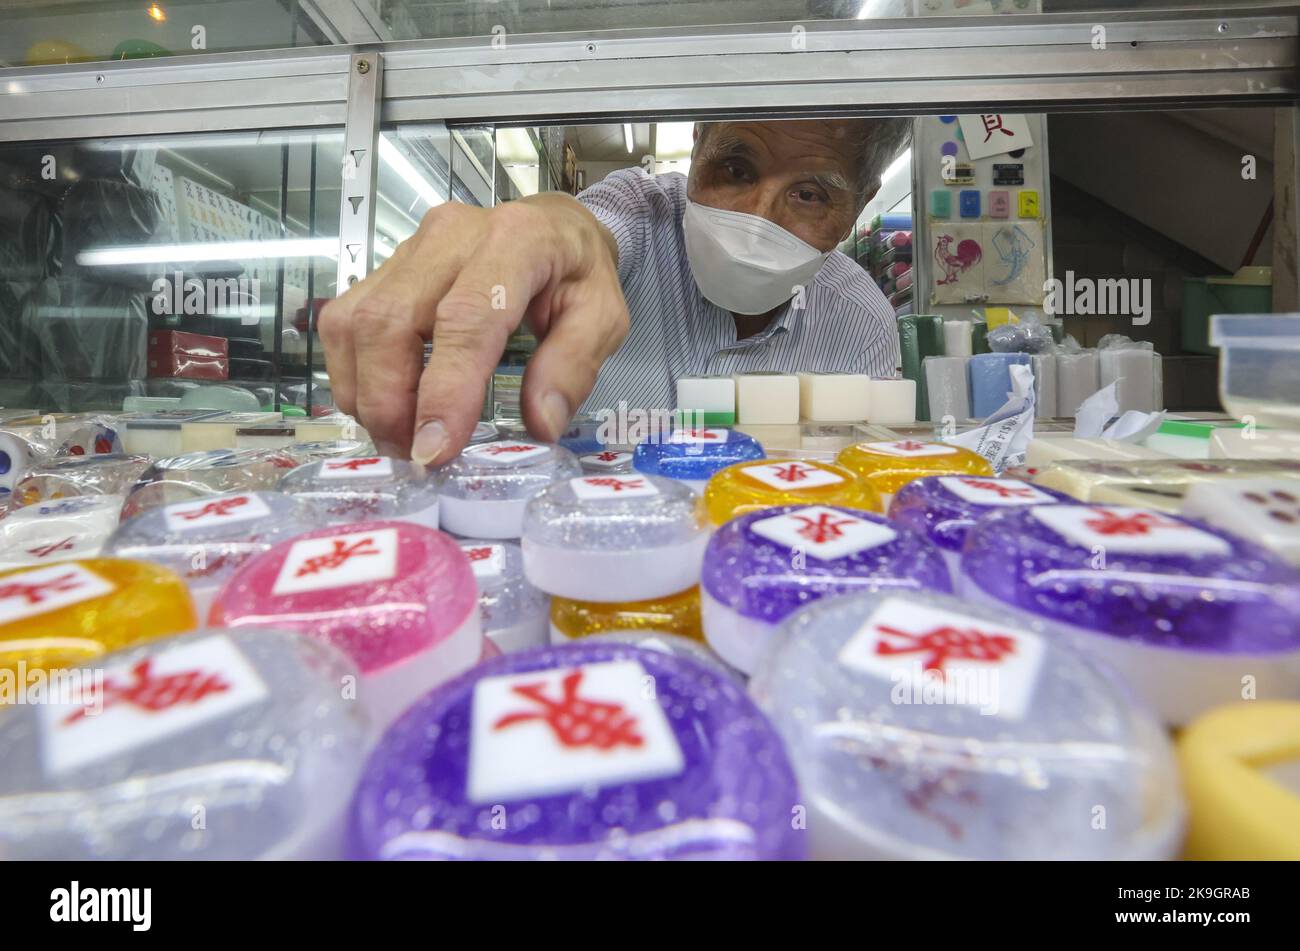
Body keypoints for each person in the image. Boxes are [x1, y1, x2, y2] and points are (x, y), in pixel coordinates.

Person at [319, 118, 909, 465]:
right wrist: (548, 224)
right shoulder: (640, 213)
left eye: (809, 195)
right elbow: (585, 227)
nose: (756, 219)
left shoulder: (862, 323)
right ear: (699, 143)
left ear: (859, 202)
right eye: (735, 169)